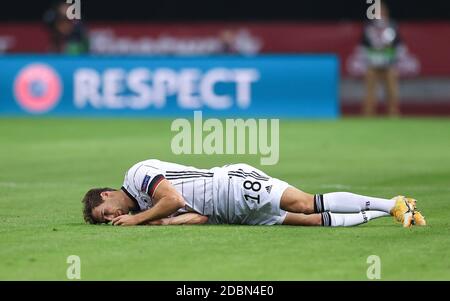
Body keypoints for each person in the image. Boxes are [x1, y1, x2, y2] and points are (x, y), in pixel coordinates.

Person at [81, 159, 426, 228]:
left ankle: (392, 202)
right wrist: (161, 225)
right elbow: (197, 216)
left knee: (305, 202)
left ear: (108, 194)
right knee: (306, 220)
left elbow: (172, 200)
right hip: (226, 213)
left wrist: (140, 221)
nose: (111, 218)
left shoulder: (137, 175)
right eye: (105, 221)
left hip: (228, 186)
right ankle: (390, 211)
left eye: (105, 212)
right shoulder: (145, 209)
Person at [361, 2, 403, 116]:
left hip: (389, 65)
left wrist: (392, 58)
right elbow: (363, 46)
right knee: (370, 91)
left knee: (392, 90)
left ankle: (393, 112)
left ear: (386, 13)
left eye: (381, 12)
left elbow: (398, 46)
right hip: (372, 65)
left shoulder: (392, 26)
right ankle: (368, 113)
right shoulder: (368, 27)